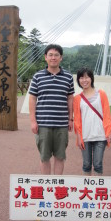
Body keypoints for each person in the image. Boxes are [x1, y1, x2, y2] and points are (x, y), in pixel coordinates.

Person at [29, 44, 74, 175]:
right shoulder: (38, 76)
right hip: (43, 124)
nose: (53, 58)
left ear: (61, 58)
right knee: (44, 157)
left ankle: (57, 185)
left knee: (60, 157)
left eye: (56, 55)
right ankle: (46, 186)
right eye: (50, 55)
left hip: (61, 124)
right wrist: (33, 121)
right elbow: (32, 99)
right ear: (45, 57)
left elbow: (70, 98)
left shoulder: (68, 77)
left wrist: (71, 118)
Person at [73, 67, 111, 176]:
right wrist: (79, 136)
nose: (84, 80)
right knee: (86, 164)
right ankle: (87, 189)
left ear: (91, 78)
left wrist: (108, 132)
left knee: (98, 164)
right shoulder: (77, 99)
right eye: (81, 78)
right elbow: (77, 119)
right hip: (85, 136)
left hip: (100, 135)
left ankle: (97, 190)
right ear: (78, 81)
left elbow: (107, 114)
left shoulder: (101, 94)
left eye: (87, 77)